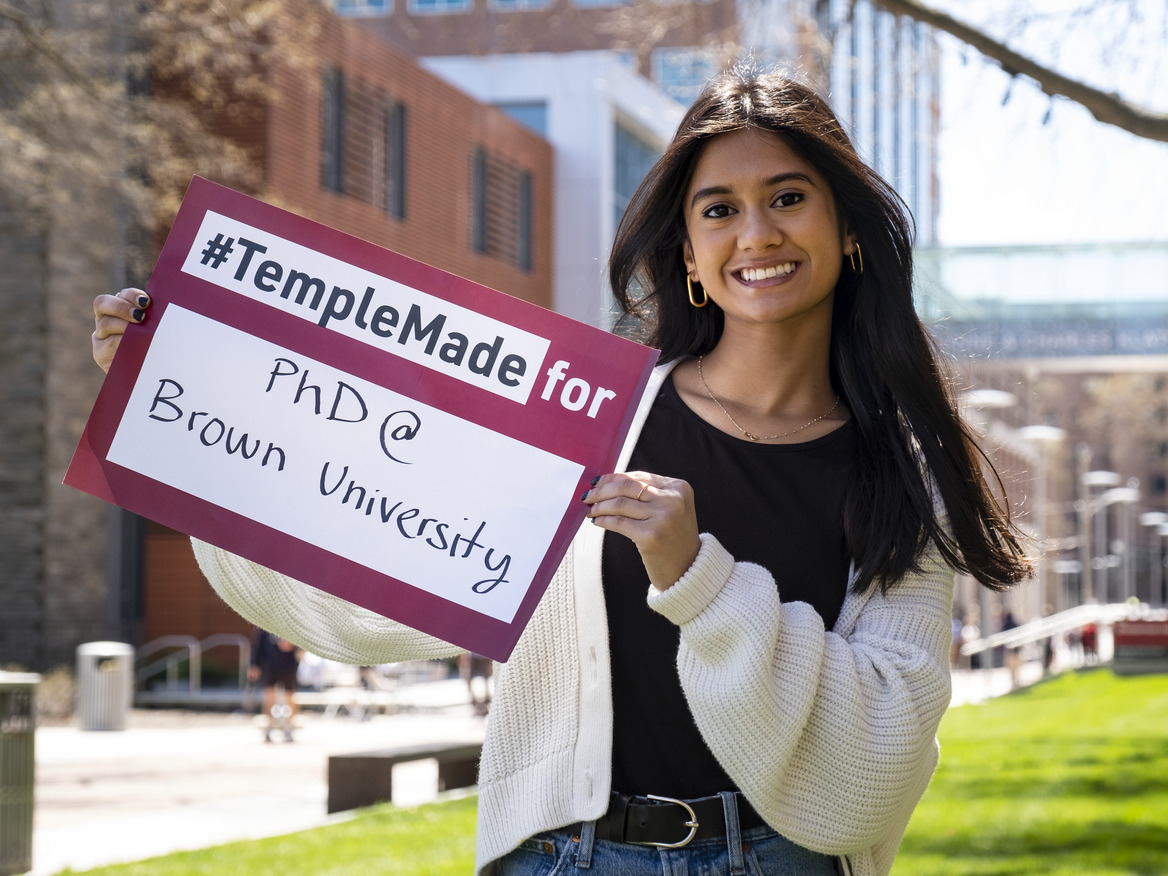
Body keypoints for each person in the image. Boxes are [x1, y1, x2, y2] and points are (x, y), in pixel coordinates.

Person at [91, 66, 1031, 876]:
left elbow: (877, 765)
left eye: (788, 197)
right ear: (691, 258)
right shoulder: (591, 418)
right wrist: (181, 407)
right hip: (564, 856)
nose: (757, 233)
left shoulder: (907, 475)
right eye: (720, 210)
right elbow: (375, 591)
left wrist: (700, 583)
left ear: (847, 229)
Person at [249, 627, 304, 742]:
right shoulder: (264, 624)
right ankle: (268, 728)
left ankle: (290, 728)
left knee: (290, 697)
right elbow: (258, 645)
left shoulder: (291, 623)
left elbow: (302, 645)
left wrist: (293, 646)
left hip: (289, 665)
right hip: (270, 665)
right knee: (269, 697)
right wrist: (254, 664)